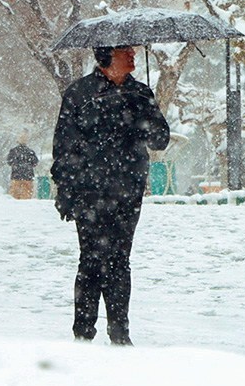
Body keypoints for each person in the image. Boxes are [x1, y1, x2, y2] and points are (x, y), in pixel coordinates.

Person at [51, 45, 170, 346]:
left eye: (132, 51)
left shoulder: (140, 94)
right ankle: (83, 332)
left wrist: (144, 118)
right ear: (106, 57)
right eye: (124, 51)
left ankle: (120, 331)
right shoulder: (80, 93)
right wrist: (65, 189)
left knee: (119, 260)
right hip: (89, 191)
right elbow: (64, 145)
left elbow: (160, 139)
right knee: (90, 260)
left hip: (128, 191)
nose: (132, 55)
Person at [7, 131, 39, 199]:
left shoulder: (13, 151)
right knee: (26, 197)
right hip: (28, 177)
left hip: (16, 176)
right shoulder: (30, 152)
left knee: (14, 197)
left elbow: (9, 162)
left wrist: (16, 165)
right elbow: (35, 162)